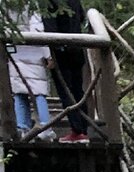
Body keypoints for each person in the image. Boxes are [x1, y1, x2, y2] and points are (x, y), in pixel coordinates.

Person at [41, 0, 88, 143]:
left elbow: (50, 28)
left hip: (61, 53)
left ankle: (77, 130)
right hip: (77, 49)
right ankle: (83, 130)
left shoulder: (48, 2)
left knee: (65, 91)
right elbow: (81, 17)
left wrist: (50, 53)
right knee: (78, 90)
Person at [6, 7, 55, 139]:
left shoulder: (6, 4)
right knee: (38, 92)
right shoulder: (32, 5)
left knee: (19, 93)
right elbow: (38, 29)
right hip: (34, 51)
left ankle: (23, 127)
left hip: (16, 50)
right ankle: (45, 127)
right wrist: (47, 54)